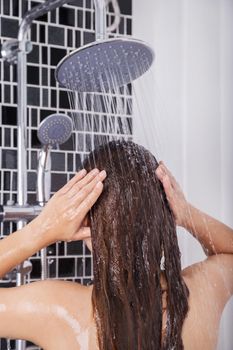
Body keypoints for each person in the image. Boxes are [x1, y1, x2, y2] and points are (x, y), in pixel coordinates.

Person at [0, 140, 232, 350]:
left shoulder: (60, 312)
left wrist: (41, 229)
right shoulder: (201, 294)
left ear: (87, 219)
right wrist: (186, 213)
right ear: (163, 214)